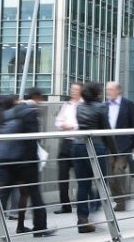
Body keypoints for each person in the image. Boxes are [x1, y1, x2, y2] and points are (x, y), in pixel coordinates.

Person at [0, 92, 56, 238]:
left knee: (3, 195)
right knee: (35, 193)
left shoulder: (5, 114)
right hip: (25, 161)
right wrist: (33, 161)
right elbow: (32, 139)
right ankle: (40, 228)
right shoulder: (29, 112)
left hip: (6, 159)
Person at [74, 82, 118, 234]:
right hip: (96, 147)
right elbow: (106, 131)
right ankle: (92, 213)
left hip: (78, 146)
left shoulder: (79, 107)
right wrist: (115, 152)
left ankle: (82, 220)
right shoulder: (101, 107)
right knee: (102, 182)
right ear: (97, 94)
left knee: (83, 185)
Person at [105, 81, 134, 212]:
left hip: (125, 145)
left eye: (110, 89)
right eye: (107, 90)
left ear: (118, 91)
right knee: (110, 176)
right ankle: (119, 201)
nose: (108, 92)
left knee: (118, 172)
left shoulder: (128, 104)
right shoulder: (105, 105)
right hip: (109, 146)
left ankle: (124, 197)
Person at [53, 82, 82, 214]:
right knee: (62, 176)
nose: (73, 92)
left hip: (78, 143)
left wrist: (71, 126)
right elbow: (58, 122)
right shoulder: (66, 105)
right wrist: (64, 125)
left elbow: (83, 123)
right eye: (72, 89)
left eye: (76, 90)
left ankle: (83, 204)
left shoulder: (84, 105)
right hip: (65, 143)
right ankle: (65, 206)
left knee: (81, 176)